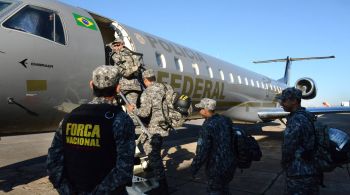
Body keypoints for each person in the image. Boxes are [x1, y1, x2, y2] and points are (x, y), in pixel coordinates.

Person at [47, 65, 136, 195]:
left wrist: (66, 190)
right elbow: (124, 169)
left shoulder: (70, 117)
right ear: (118, 88)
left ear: (91, 85)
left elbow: (53, 161)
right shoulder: (120, 119)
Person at [127, 69, 169, 194]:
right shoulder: (164, 89)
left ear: (145, 80)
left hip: (153, 129)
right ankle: (161, 185)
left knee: (154, 157)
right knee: (155, 155)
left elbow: (144, 113)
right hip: (163, 127)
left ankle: (162, 187)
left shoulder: (148, 92)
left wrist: (133, 109)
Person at [277, 87, 319, 195]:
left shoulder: (296, 120)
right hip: (312, 169)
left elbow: (288, 148)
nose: (281, 103)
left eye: (284, 100)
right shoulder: (307, 116)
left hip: (299, 173)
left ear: (294, 101)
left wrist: (285, 164)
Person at [190, 98, 236, 195]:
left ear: (206, 110)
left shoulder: (208, 125)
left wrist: (194, 168)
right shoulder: (226, 120)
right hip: (230, 164)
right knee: (225, 189)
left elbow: (202, 151)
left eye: (200, 109)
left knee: (214, 191)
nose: (199, 111)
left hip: (215, 167)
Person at [111, 37, 142, 125]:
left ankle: (128, 126)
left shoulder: (122, 55)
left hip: (126, 86)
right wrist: (135, 68)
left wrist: (133, 69)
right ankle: (129, 126)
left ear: (122, 45)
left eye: (118, 45)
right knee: (128, 108)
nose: (116, 47)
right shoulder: (131, 54)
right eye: (114, 45)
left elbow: (125, 73)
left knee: (127, 107)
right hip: (131, 85)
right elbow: (136, 67)